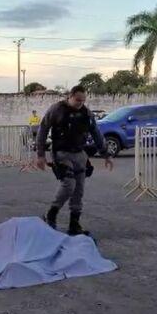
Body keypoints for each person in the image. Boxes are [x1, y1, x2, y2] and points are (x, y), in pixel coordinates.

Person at [36, 85, 114, 236]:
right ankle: (50, 214)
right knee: (68, 185)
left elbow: (96, 133)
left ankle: (74, 223)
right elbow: (43, 129)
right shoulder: (57, 110)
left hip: (80, 154)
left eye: (83, 101)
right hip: (62, 153)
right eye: (78, 100)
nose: (80, 103)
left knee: (79, 190)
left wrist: (106, 155)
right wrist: (40, 155)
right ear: (70, 96)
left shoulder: (86, 113)